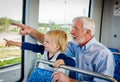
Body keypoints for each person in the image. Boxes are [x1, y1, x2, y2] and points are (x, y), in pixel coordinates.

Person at [12, 16, 115, 82]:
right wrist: (31, 31)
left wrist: (69, 80)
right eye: (71, 28)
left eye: (75, 29)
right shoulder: (75, 45)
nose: (71, 32)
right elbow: (53, 43)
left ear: (87, 32)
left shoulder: (104, 54)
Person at [4, 30, 75, 78]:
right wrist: (14, 43)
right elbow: (30, 46)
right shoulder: (43, 50)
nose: (44, 43)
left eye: (47, 42)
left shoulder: (60, 56)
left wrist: (62, 61)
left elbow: (72, 62)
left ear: (56, 46)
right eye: (44, 41)